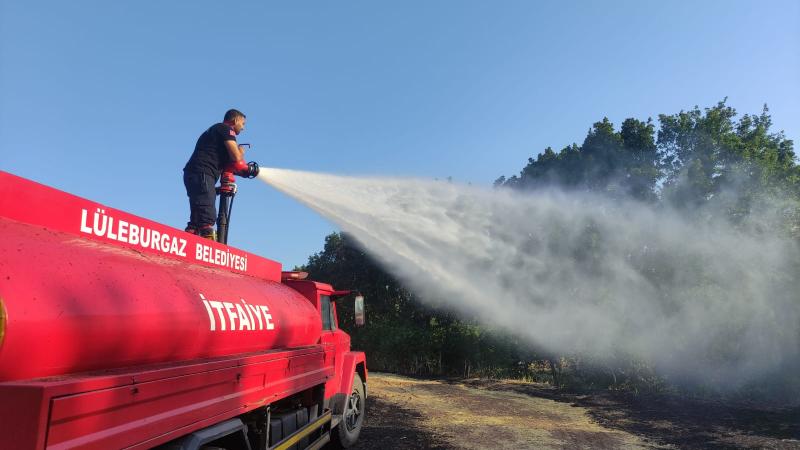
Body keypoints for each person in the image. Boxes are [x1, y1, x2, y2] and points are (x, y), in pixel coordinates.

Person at [183, 109, 250, 239]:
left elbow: (227, 164)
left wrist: (215, 190)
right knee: (207, 220)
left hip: (195, 174)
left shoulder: (215, 131)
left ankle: (189, 243)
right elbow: (236, 158)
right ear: (235, 120)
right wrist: (241, 151)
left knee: (196, 221)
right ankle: (209, 252)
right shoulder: (225, 129)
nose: (243, 128)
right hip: (203, 173)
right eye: (243, 124)